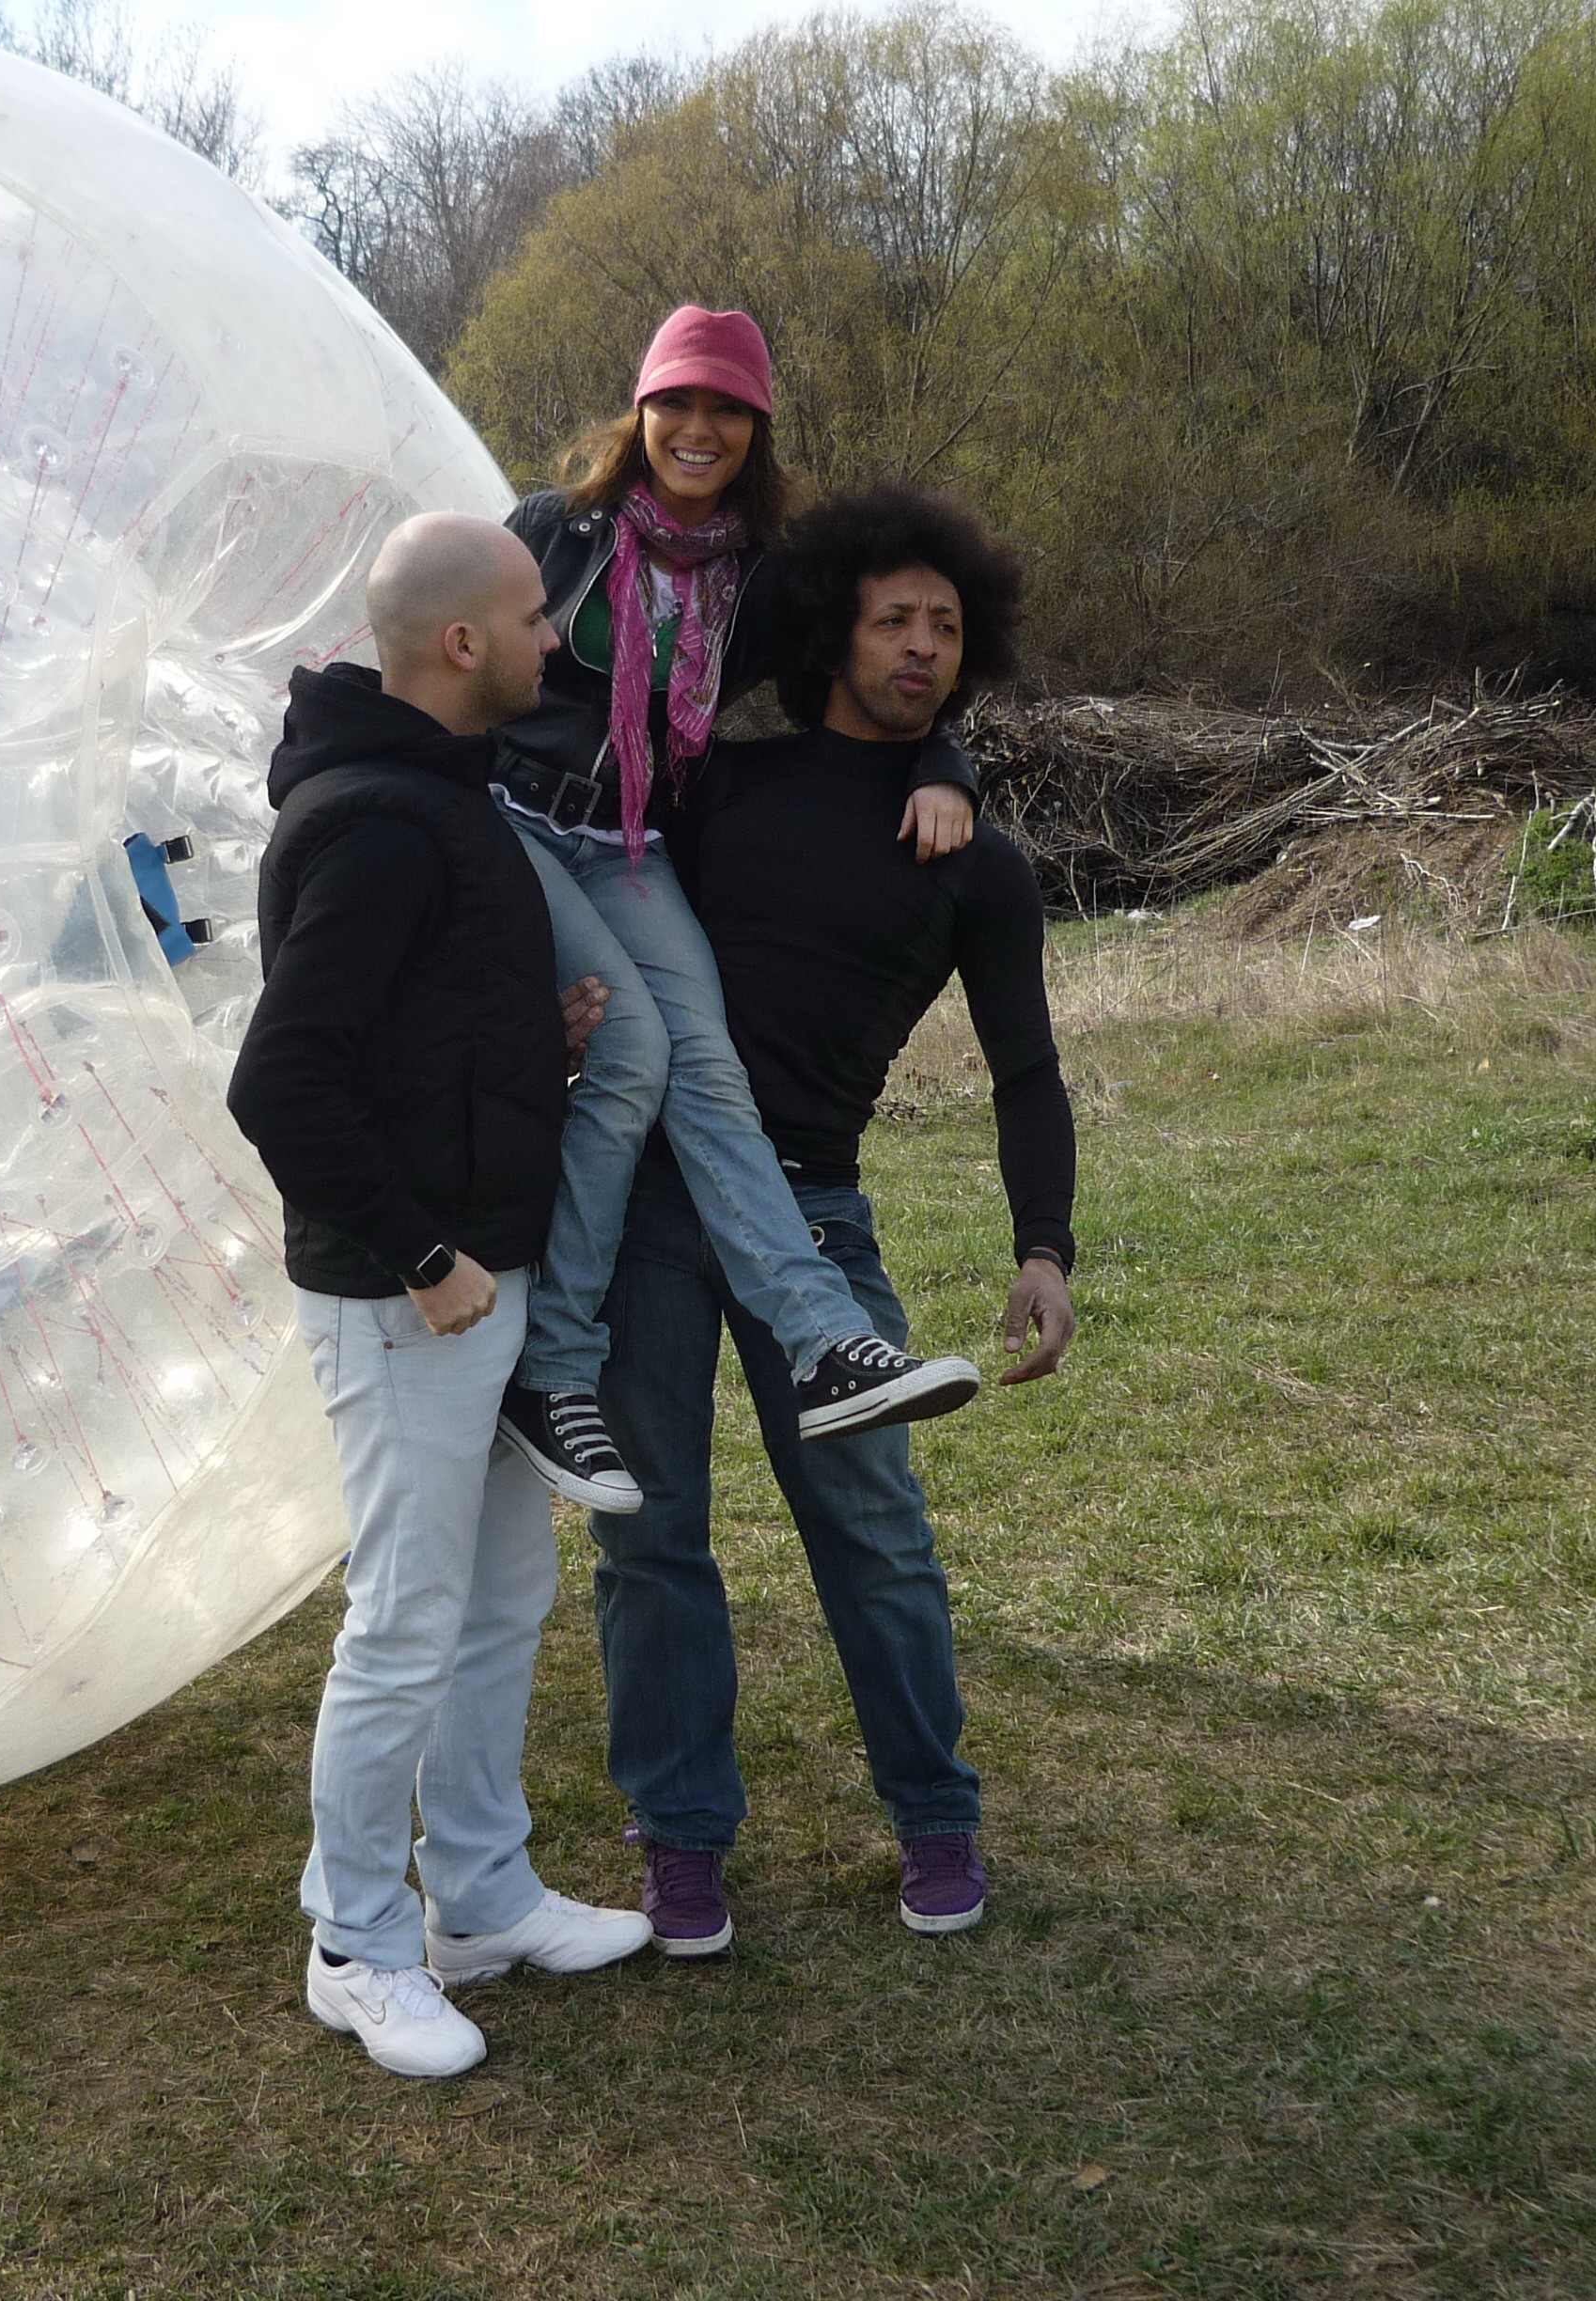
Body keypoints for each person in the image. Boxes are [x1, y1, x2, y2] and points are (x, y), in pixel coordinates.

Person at [587, 483, 1079, 1955]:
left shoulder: (972, 858)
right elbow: (620, 743)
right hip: (660, 1208)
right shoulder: (721, 788)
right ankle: (682, 1844)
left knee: (874, 1534)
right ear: (836, 631)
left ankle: (936, 1818)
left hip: (815, 1223)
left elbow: (1029, 1068)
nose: (919, 646)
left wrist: (1043, 1247)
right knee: (650, 1534)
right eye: (890, 621)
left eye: (943, 628)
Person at [226, 512, 652, 2080]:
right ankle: (357, 1941)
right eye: (538, 618)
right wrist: (420, 1254)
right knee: (405, 1622)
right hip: (411, 1299)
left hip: (480, 1283)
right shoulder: (378, 819)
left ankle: (479, 1899)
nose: (561, 642)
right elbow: (282, 1083)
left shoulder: (441, 803)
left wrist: (532, 1046)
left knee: (498, 1605)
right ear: (461, 642)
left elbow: (398, 1045)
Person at [487, 305, 985, 1520]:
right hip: (508, 816)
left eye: (726, 410)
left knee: (707, 1066)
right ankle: (552, 1373)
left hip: (628, 843)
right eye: (679, 403)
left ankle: (824, 1344)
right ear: (641, 410)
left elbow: (881, 673)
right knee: (634, 1053)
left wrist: (947, 766)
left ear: (754, 430)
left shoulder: (763, 574)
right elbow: (446, 655)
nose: (698, 428)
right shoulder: (556, 532)